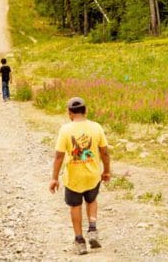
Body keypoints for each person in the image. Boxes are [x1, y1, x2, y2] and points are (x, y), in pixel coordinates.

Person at [49, 97, 111, 255]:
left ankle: (79, 240)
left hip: (73, 178)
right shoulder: (96, 127)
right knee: (92, 200)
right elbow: (104, 152)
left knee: (75, 206)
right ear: (86, 111)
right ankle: (92, 228)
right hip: (92, 175)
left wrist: (54, 178)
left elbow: (59, 156)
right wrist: (106, 171)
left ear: (69, 113)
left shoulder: (65, 130)